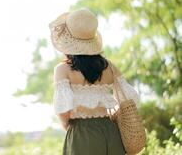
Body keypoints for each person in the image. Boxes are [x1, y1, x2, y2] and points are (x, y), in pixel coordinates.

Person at [48, 9, 141, 155]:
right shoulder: (109, 66)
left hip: (81, 132)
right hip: (110, 131)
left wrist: (70, 127)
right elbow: (129, 99)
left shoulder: (62, 69)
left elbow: (63, 111)